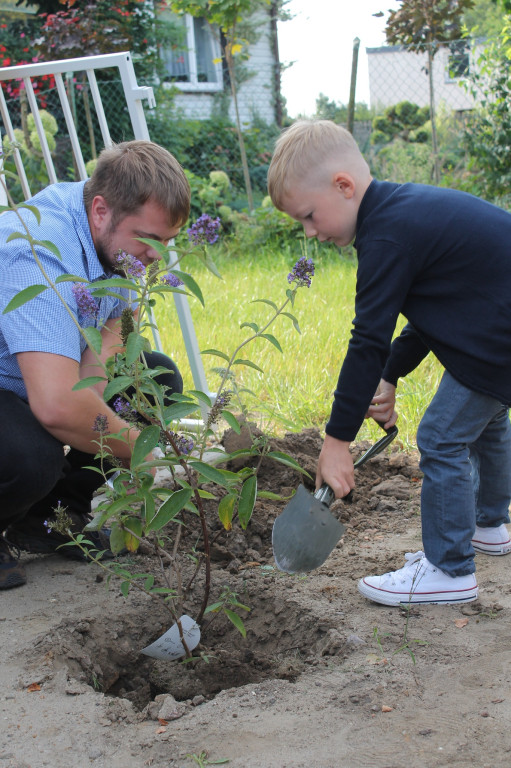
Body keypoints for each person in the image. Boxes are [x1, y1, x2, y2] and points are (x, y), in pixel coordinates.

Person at [267, 119, 511, 607]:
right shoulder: (403, 213)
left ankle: (450, 570)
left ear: (344, 186)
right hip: (497, 326)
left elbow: (367, 340)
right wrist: (391, 374)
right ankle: (490, 525)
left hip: (499, 335)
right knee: (489, 419)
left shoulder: (386, 238)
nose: (310, 232)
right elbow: (431, 314)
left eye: (310, 216)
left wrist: (336, 442)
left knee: (441, 436)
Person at [0, 140, 190, 589]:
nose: (157, 255)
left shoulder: (112, 241)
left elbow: (115, 337)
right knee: (30, 455)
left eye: (167, 241)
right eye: (150, 239)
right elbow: (57, 408)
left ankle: (50, 518)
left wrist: (99, 394)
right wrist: (148, 453)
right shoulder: (38, 252)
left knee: (155, 379)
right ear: (101, 210)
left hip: (43, 380)